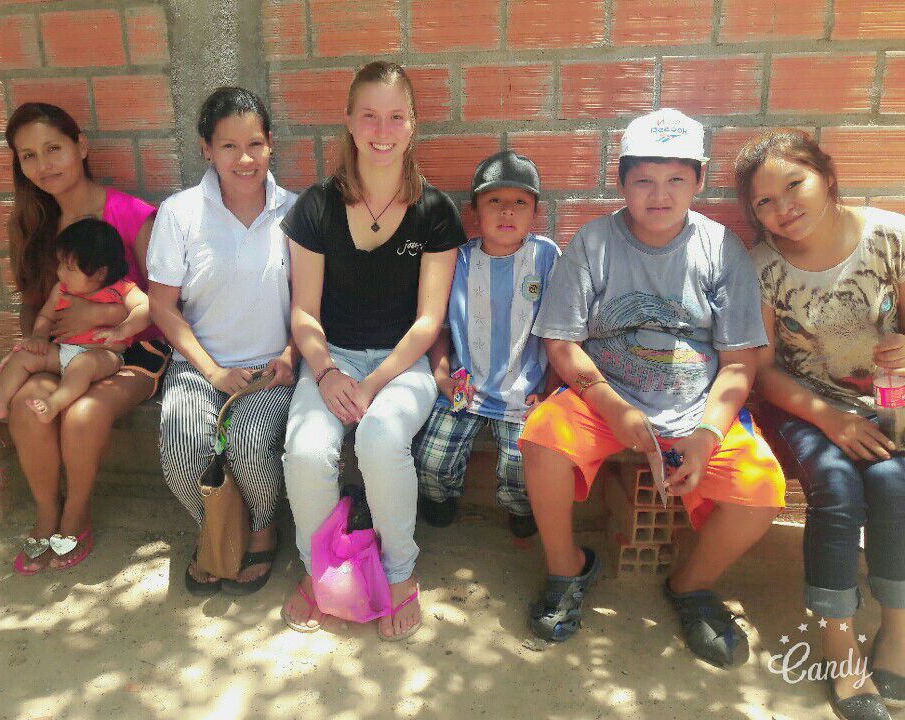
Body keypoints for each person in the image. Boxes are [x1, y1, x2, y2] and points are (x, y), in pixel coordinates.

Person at [518, 109, 785, 668]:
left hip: (698, 409)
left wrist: (708, 434)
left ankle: (691, 585)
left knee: (762, 491)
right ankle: (567, 569)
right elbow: (561, 343)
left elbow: (739, 363)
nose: (659, 195)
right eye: (643, 180)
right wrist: (610, 406)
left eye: (675, 180)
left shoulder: (722, 250)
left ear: (699, 179)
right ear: (621, 182)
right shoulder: (594, 243)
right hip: (604, 398)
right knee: (542, 440)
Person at [280, 60, 466, 640]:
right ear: (348, 121)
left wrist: (373, 382)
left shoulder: (434, 212)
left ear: (413, 124)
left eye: (395, 117)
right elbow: (304, 312)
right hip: (331, 358)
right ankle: (316, 569)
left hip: (401, 363)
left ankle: (401, 573)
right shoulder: (316, 207)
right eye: (369, 116)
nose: (382, 131)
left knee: (381, 441)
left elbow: (429, 321)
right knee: (307, 451)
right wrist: (327, 372)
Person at [737, 129, 905, 720]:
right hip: (803, 404)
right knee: (835, 489)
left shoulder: (891, 237)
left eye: (795, 184)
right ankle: (840, 644)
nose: (783, 207)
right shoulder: (762, 266)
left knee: (893, 484)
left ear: (827, 178)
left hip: (888, 401)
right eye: (764, 201)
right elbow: (763, 371)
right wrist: (828, 418)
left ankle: (897, 630)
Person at [2, 103, 170, 575]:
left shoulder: (131, 214)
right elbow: (34, 305)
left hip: (132, 351)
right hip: (65, 351)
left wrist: (103, 314)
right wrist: (33, 346)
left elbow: (164, 302)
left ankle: (76, 516)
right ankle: (46, 514)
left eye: (53, 148)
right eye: (29, 156)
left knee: (83, 411)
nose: (44, 164)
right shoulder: (34, 224)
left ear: (81, 146)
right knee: (26, 405)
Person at [148, 86, 298, 596]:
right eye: (229, 146)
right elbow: (162, 306)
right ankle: (216, 527)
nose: (244, 159)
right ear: (207, 149)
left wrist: (290, 355)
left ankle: (262, 527)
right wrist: (212, 371)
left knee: (250, 445)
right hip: (199, 365)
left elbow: (312, 301)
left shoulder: (296, 213)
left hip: (270, 367)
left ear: (270, 143)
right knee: (181, 449)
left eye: (254, 144)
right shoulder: (180, 213)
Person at [413, 150, 559, 538]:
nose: (507, 211)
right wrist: (442, 377)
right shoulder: (458, 260)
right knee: (431, 460)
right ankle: (440, 498)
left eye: (520, 202)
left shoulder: (546, 257)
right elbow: (440, 327)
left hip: (524, 392)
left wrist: (551, 392)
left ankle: (520, 509)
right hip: (465, 386)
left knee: (522, 466)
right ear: (474, 211)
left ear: (535, 212)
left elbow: (561, 331)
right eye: (494, 200)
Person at [0, 219, 150, 423]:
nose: (60, 272)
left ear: (100, 273)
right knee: (23, 356)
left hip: (103, 356)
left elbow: (145, 308)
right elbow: (46, 316)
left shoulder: (121, 288)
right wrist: (38, 338)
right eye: (60, 263)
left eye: (70, 268)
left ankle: (53, 404)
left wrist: (122, 330)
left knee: (82, 364)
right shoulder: (61, 289)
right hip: (62, 352)